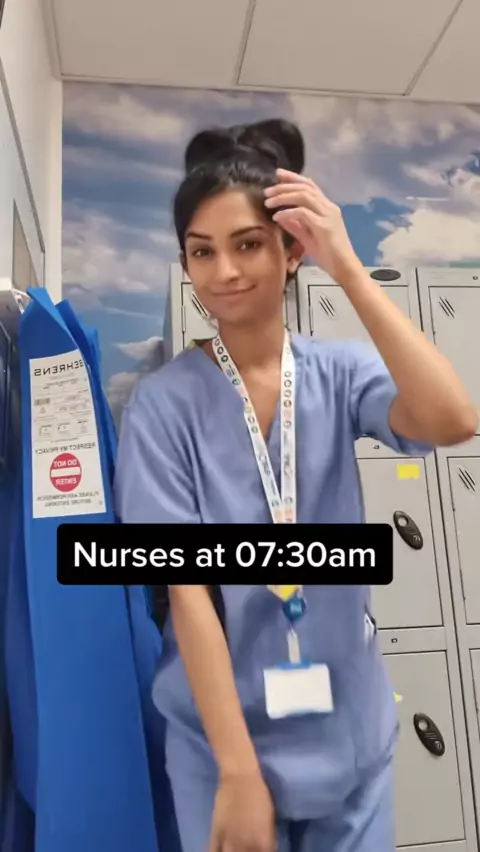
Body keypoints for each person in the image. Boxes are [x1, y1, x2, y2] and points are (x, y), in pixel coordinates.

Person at [114, 119, 477, 852]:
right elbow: (186, 590)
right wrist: (237, 771)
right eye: (202, 251)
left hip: (351, 736)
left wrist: (350, 270)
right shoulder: (163, 405)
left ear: (292, 251)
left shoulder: (337, 373)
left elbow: (454, 419)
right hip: (224, 747)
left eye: (248, 244)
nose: (225, 271)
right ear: (185, 264)